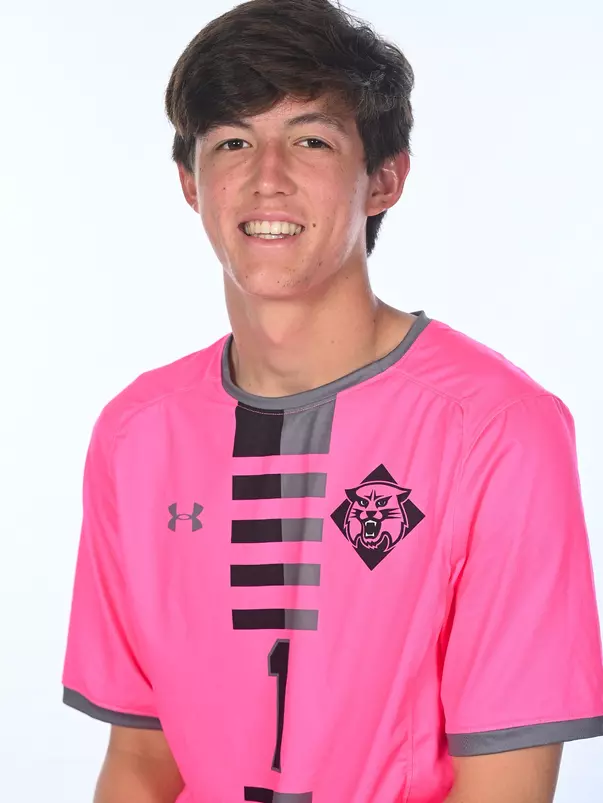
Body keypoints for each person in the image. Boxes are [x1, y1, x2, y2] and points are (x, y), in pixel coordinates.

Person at [61, 1, 603, 801]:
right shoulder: (137, 434)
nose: (266, 176)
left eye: (310, 140)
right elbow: (141, 763)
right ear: (190, 183)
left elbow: (506, 786)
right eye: (233, 143)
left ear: (383, 178)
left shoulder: (496, 428)